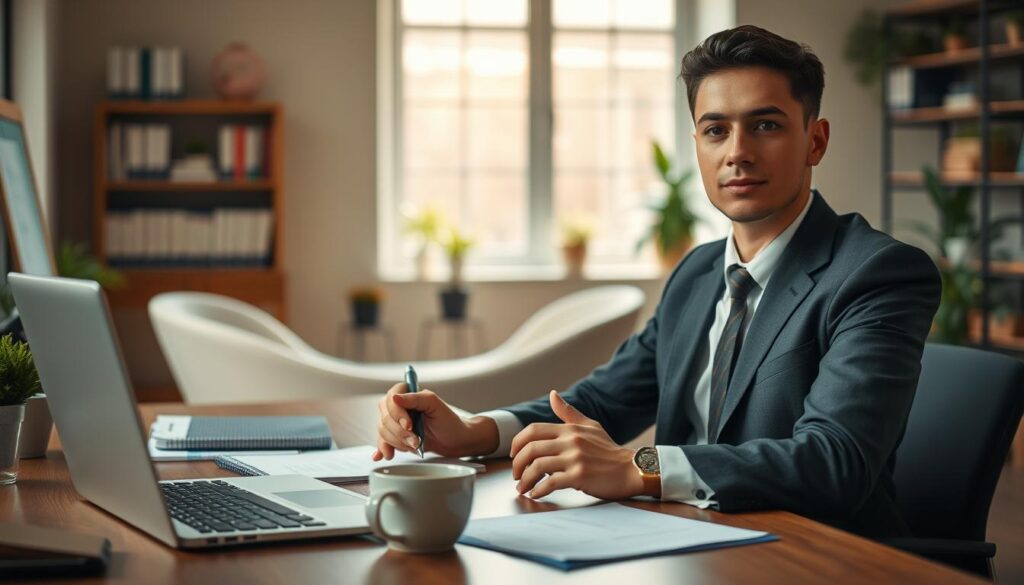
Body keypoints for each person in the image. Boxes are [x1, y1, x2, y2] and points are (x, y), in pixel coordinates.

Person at [372, 25, 941, 538]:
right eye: (715, 130)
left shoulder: (876, 274)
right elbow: (600, 402)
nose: (737, 152)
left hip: (814, 556)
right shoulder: (697, 272)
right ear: (697, 145)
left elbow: (833, 462)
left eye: (765, 125)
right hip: (683, 540)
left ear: (815, 140)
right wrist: (471, 432)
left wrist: (636, 466)